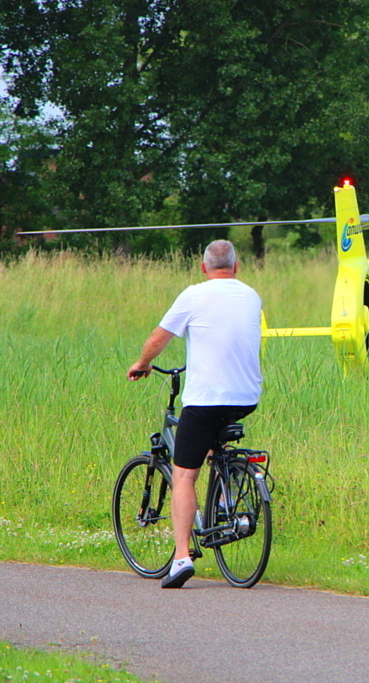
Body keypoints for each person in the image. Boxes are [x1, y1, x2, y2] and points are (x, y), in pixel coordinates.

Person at [127, 240, 263, 588]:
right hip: (246, 397)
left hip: (206, 400)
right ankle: (226, 500)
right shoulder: (251, 295)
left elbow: (159, 338)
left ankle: (182, 558)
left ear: (204, 267)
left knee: (185, 475)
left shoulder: (193, 295)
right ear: (237, 266)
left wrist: (143, 364)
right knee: (213, 446)